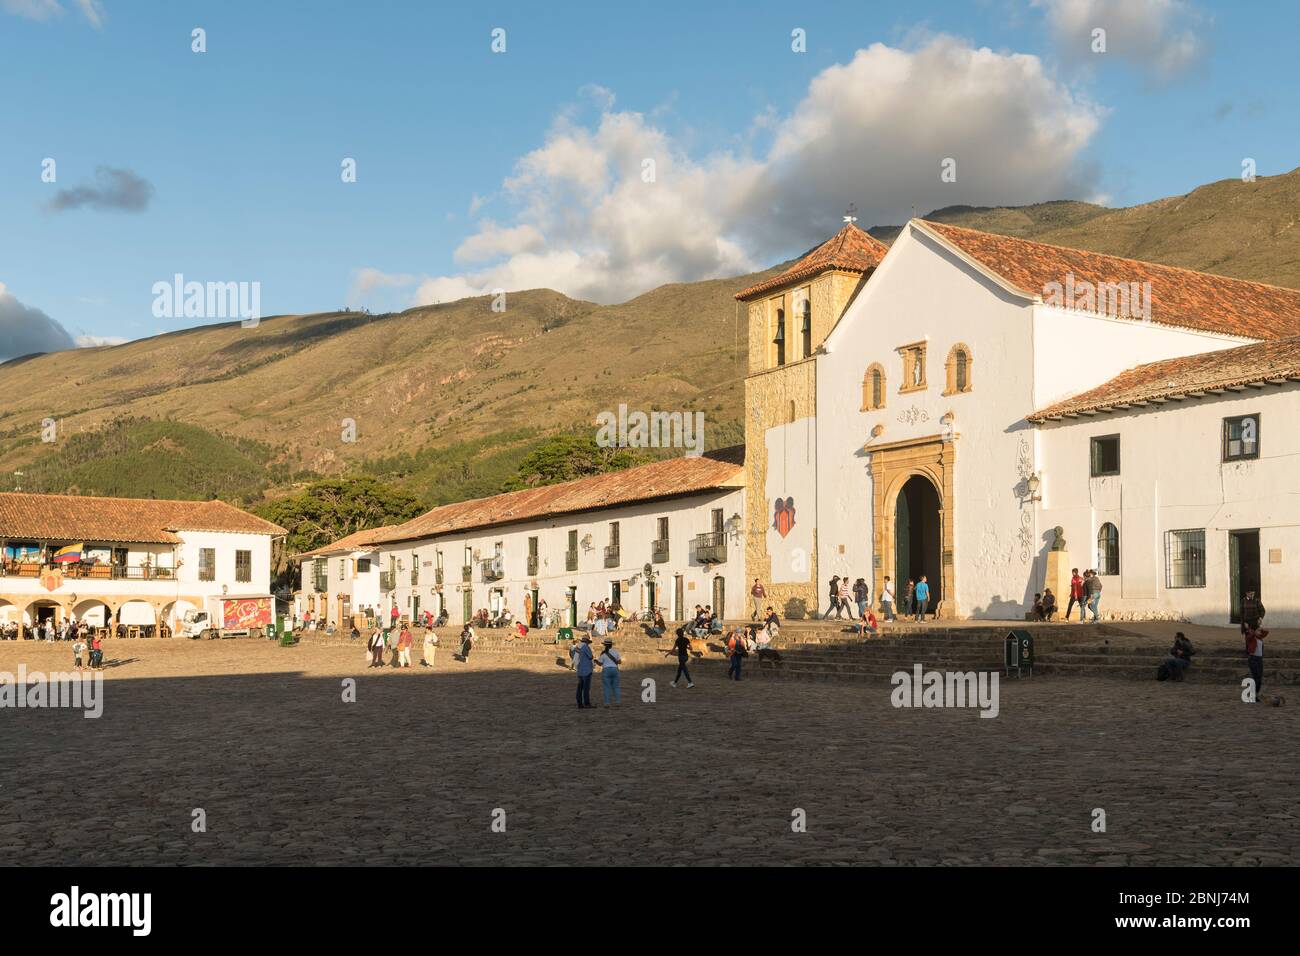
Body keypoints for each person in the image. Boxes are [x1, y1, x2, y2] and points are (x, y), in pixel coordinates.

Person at [1245, 622, 1267, 700]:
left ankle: (1255, 695)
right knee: (1256, 678)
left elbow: (1266, 632)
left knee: (1259, 678)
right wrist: (1249, 629)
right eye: (1258, 631)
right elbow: (1248, 637)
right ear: (1254, 631)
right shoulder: (1251, 638)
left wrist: (1260, 627)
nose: (1260, 632)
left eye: (1260, 631)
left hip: (1259, 659)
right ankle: (1252, 695)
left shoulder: (1260, 638)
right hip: (1253, 658)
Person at [597, 638, 622, 707]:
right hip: (615, 669)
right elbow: (619, 662)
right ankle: (618, 701)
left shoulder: (603, 653)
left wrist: (596, 661)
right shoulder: (616, 652)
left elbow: (600, 663)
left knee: (606, 687)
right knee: (616, 687)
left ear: (604, 645)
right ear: (611, 645)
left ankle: (607, 703)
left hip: (606, 670)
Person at [573, 634, 595, 709]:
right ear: (587, 642)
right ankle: (587, 703)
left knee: (580, 688)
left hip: (580, 670)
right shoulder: (585, 647)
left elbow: (575, 660)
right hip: (587, 670)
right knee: (586, 688)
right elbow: (590, 656)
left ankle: (579, 703)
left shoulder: (577, 647)